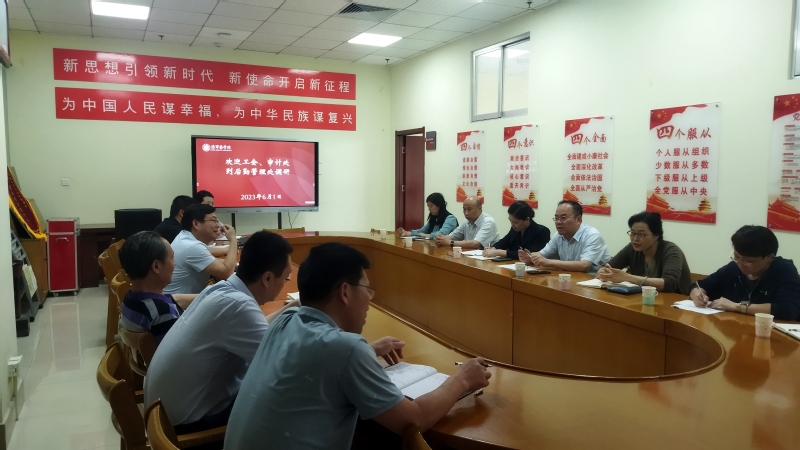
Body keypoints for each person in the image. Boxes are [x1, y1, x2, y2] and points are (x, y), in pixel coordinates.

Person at [224, 243, 491, 450]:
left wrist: (369, 350)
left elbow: (313, 361)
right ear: (345, 292)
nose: (369, 300)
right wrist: (462, 380)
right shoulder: (346, 349)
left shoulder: (286, 319)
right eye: (367, 290)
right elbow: (414, 420)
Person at [144, 231, 299, 433]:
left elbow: (258, 328)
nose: (286, 281)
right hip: (184, 428)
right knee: (286, 396)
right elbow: (282, 365)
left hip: (162, 415)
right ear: (267, 278)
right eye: (286, 278)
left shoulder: (221, 290)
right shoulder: (237, 306)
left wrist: (295, 305)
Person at [690, 225, 800, 321]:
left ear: (768, 257)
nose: (740, 264)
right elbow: (700, 285)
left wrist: (737, 307)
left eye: (748, 261)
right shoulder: (733, 268)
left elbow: (788, 309)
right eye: (736, 256)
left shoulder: (784, 270)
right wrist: (697, 294)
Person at [118, 231, 196, 343]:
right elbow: (179, 350)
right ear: (156, 266)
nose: (174, 264)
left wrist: (208, 295)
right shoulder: (163, 313)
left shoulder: (129, 298)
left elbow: (172, 299)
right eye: (172, 259)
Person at [597, 211, 693, 294]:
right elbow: (609, 266)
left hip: (674, 303)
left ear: (656, 236)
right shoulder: (632, 248)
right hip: (644, 298)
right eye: (633, 233)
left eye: (641, 234)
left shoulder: (671, 250)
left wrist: (627, 277)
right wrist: (603, 271)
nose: (635, 239)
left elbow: (669, 283)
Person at [163, 204, 237, 294]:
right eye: (214, 221)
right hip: (180, 302)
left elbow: (212, 260)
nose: (218, 225)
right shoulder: (192, 246)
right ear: (196, 224)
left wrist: (238, 266)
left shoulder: (185, 237)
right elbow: (227, 273)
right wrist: (233, 239)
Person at [520, 200, 610, 274]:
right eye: (556, 218)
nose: (558, 222)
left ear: (578, 219)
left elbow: (584, 266)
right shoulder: (558, 235)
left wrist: (549, 262)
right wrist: (531, 258)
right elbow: (542, 255)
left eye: (563, 218)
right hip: (570, 278)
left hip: (594, 282)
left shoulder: (592, 235)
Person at [482, 201, 550, 259]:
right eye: (510, 221)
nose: (512, 225)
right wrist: (493, 248)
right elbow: (504, 241)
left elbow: (529, 255)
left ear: (527, 220)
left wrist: (500, 252)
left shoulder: (542, 232)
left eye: (515, 222)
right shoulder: (515, 229)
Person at [434, 196, 499, 250]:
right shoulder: (466, 221)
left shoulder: (488, 222)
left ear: (479, 209)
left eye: (469, 209)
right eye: (464, 209)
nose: (466, 213)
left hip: (487, 259)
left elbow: (475, 244)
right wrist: (441, 239)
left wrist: (449, 243)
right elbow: (452, 236)